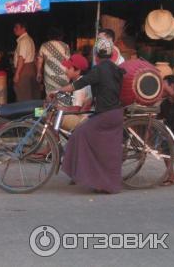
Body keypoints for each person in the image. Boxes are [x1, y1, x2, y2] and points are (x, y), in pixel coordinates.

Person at [54, 38, 125, 194]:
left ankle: (86, 175)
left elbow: (78, 84)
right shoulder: (115, 68)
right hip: (115, 114)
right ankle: (100, 182)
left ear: (96, 55)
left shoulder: (98, 70)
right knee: (101, 148)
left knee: (79, 134)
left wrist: (59, 90)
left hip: (105, 116)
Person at [58, 54, 92, 132]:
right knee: (44, 111)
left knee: (49, 114)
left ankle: (51, 142)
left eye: (69, 68)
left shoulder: (80, 87)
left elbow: (76, 109)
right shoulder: (81, 80)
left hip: (81, 121)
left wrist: (59, 109)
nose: (66, 70)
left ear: (78, 71)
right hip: (83, 118)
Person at [36, 26, 71, 95]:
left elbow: (39, 61)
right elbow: (68, 61)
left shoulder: (44, 46)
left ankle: (52, 105)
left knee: (51, 95)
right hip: (63, 74)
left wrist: (38, 73)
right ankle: (63, 105)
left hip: (49, 75)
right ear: (60, 35)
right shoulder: (65, 46)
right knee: (63, 95)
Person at [13, 22, 39, 101]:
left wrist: (17, 74)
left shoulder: (23, 41)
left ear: (23, 29)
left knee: (23, 94)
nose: (14, 30)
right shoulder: (29, 39)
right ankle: (38, 113)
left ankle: (25, 113)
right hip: (30, 68)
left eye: (17, 28)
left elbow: (22, 58)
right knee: (33, 94)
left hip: (24, 69)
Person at [161, 75, 174, 185]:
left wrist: (169, 90)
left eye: (164, 85)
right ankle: (171, 176)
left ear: (172, 85)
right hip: (173, 135)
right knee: (165, 148)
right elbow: (156, 117)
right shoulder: (165, 103)